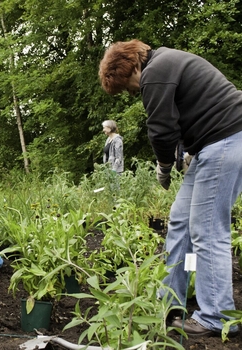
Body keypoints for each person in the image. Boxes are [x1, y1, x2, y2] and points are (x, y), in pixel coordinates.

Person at [99, 39, 242, 337]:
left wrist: (164, 167)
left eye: (128, 86)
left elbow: (162, 130)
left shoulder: (156, 71)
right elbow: (182, 118)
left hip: (227, 139)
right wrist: (187, 153)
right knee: (179, 221)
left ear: (133, 67)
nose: (132, 91)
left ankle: (216, 316)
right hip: (209, 147)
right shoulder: (164, 64)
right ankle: (170, 301)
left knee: (208, 229)